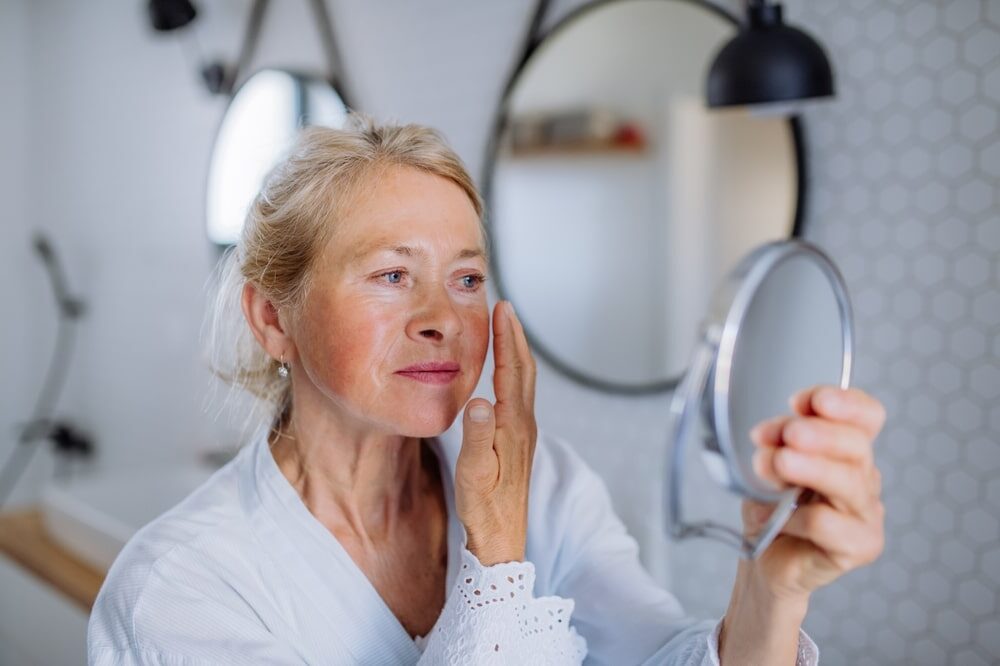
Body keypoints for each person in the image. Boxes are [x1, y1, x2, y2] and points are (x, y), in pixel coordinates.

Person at [88, 113, 886, 665]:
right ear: (272, 319)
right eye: (392, 274)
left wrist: (772, 588)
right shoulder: (179, 590)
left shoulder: (550, 490)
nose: (443, 316)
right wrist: (497, 560)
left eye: (467, 277)